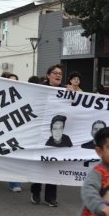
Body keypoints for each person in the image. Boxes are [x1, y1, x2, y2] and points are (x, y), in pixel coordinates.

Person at [31, 64, 64, 207]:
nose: (58, 75)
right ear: (48, 75)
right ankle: (35, 191)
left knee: (53, 165)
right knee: (40, 163)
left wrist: (72, 93)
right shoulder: (39, 89)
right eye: (55, 73)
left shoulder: (65, 91)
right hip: (40, 132)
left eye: (60, 74)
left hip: (58, 133)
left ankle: (50, 197)